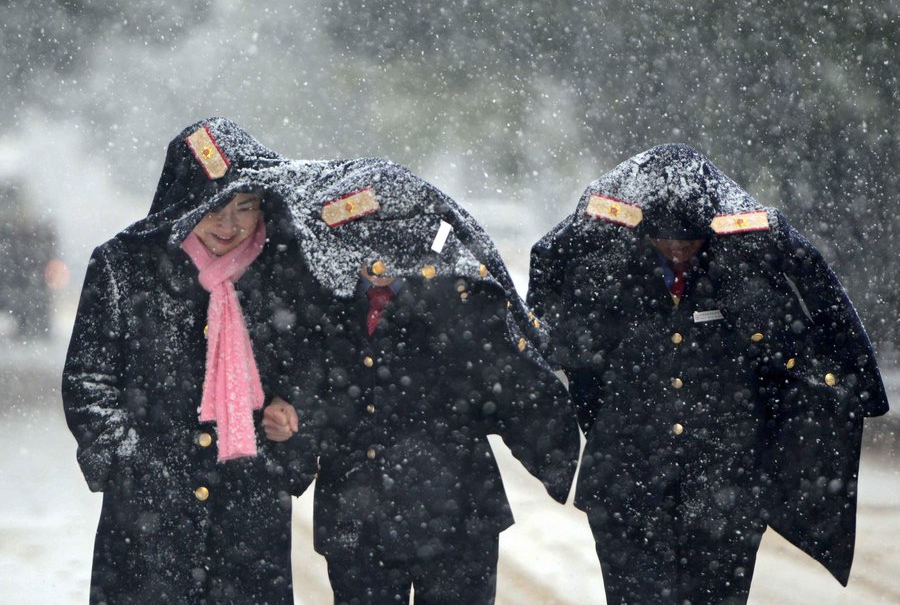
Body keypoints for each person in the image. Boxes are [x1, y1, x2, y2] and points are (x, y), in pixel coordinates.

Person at [528, 143, 889, 604]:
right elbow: (573, 360)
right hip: (628, 489)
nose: (678, 248)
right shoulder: (607, 281)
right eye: (666, 237)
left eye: (691, 238)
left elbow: (798, 349)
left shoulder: (747, 278)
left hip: (727, 489)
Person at [267, 159, 580, 604]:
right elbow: (303, 395)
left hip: (457, 519)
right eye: (361, 244)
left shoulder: (460, 302)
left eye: (389, 244)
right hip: (356, 524)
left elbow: (513, 386)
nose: (376, 262)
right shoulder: (317, 308)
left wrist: (560, 455)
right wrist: (290, 430)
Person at [62, 118, 323, 604]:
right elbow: (88, 380)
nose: (231, 226)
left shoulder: (279, 270)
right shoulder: (124, 266)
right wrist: (131, 466)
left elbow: (311, 368)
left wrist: (291, 422)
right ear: (183, 204)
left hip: (248, 510)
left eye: (246, 207)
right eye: (214, 208)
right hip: (148, 516)